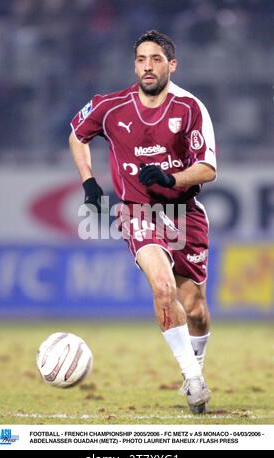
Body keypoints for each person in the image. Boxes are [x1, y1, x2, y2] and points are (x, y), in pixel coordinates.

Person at [69, 30, 216, 414]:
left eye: (155, 59)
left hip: (184, 213)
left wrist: (171, 179)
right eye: (140, 59)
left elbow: (208, 169)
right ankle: (194, 380)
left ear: (171, 64)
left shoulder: (190, 107)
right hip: (138, 211)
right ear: (134, 64)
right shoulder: (110, 106)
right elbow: (76, 135)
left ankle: (194, 368)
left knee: (196, 308)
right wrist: (89, 182)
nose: (147, 67)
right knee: (163, 287)